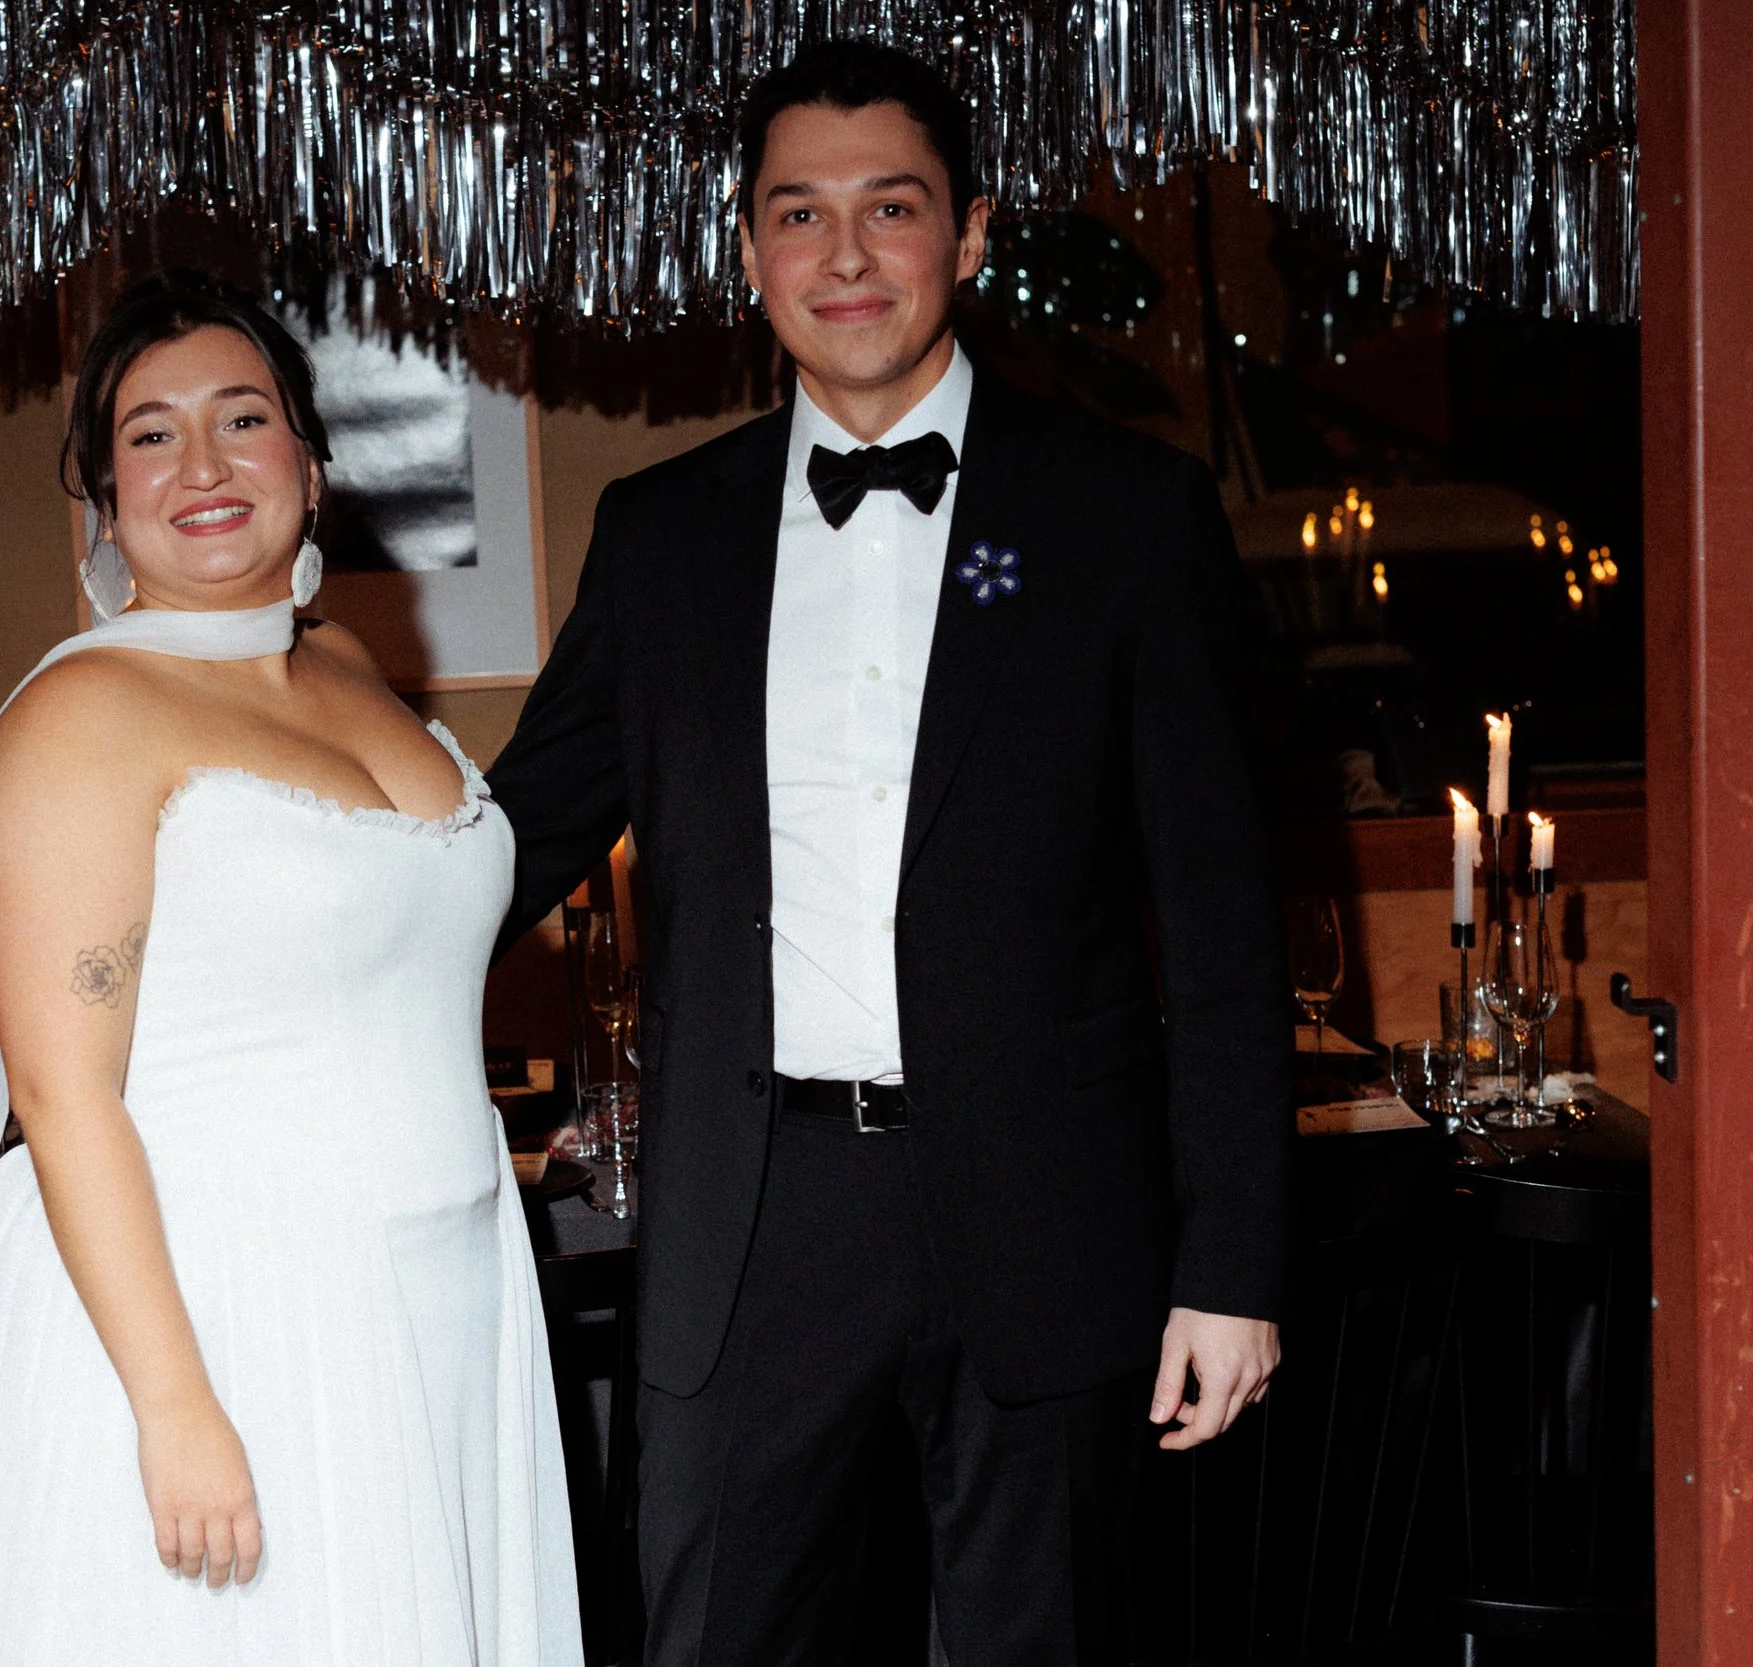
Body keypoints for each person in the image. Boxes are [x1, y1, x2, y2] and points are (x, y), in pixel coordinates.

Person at [488, 41, 1294, 1666]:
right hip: (756, 1215)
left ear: (973, 236)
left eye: (891, 209)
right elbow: (507, 842)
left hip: (1047, 1218)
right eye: (800, 213)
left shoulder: (1124, 517)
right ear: (747, 250)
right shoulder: (662, 536)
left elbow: (1222, 923)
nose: (844, 258)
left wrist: (1234, 1264)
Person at [0, 270, 579, 1665]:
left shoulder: (353, 663)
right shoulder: (79, 716)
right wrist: (175, 1403)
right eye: (151, 433)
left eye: (243, 419)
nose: (203, 463)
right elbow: (66, 1102)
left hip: (440, 1286)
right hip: (223, 1304)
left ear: (310, 465)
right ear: (105, 499)